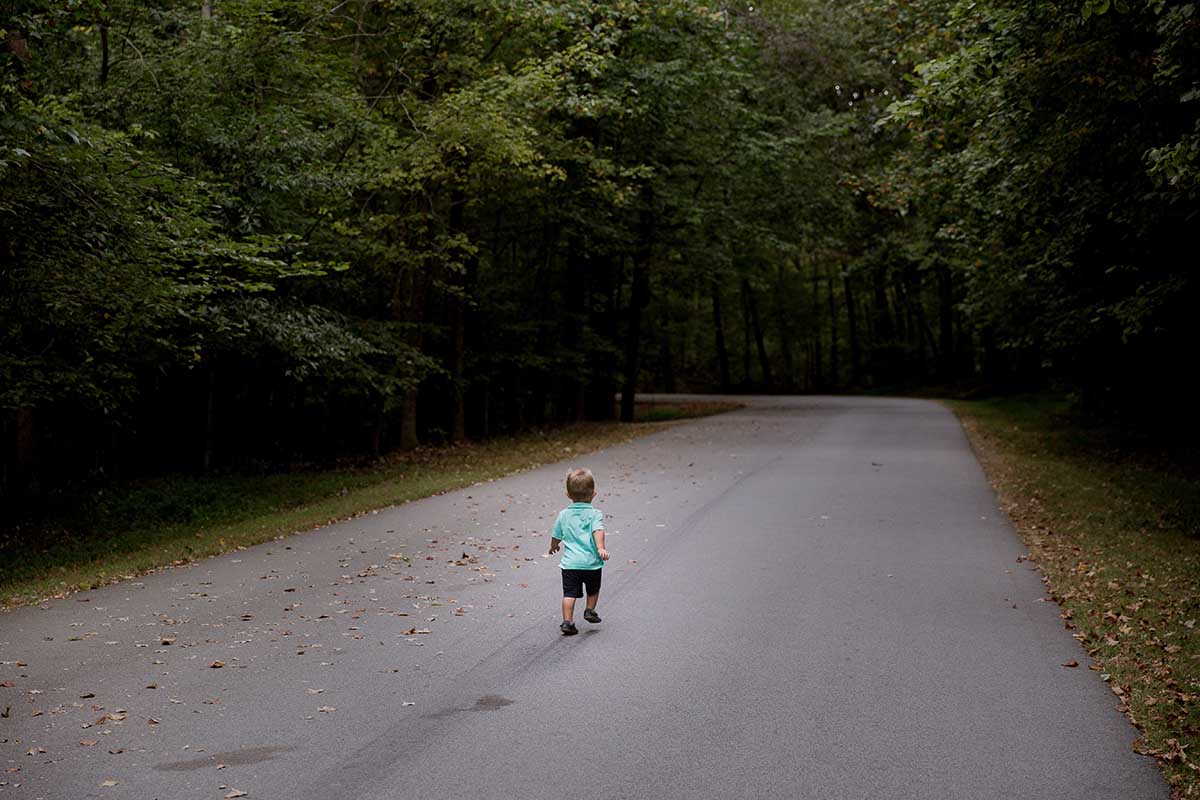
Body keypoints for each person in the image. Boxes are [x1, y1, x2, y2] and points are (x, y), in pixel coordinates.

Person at [549, 467, 610, 635]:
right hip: (591, 563)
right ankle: (589, 610)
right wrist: (600, 547)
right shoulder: (595, 514)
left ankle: (567, 622)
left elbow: (556, 534)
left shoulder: (563, 515)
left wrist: (553, 546)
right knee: (593, 589)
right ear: (594, 493)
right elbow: (598, 530)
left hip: (570, 564)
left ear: (568, 495)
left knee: (569, 593)